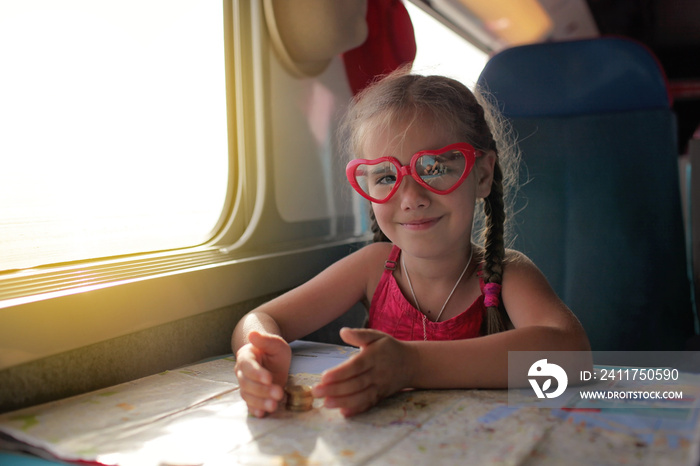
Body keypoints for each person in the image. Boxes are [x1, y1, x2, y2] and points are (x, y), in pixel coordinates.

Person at [232, 70, 590, 418]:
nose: (411, 198)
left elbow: (571, 353)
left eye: (434, 168)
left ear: (481, 175)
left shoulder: (508, 274)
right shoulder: (373, 266)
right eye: (386, 176)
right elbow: (261, 318)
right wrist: (258, 350)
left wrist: (411, 365)